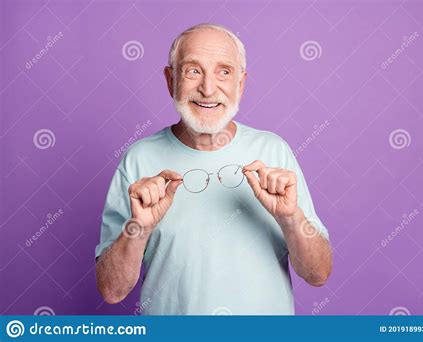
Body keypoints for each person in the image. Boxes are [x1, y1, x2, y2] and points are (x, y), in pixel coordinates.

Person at [95, 23, 332, 315]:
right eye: (193, 70)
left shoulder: (274, 151)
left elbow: (318, 273)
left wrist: (290, 217)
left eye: (224, 72)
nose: (208, 89)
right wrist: (138, 229)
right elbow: (111, 290)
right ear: (170, 80)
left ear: (241, 84)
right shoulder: (139, 159)